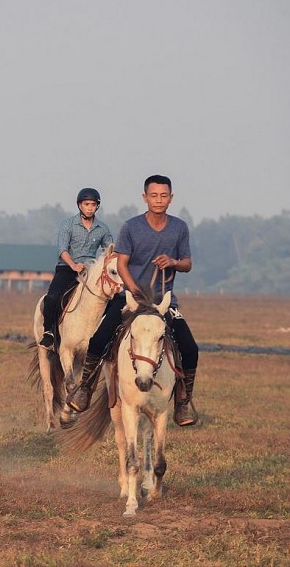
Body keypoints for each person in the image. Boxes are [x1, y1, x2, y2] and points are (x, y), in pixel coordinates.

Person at [66, 175, 200, 427]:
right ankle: (85, 387)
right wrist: (134, 289)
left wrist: (173, 262)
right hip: (130, 297)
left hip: (163, 301)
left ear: (171, 198)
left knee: (190, 348)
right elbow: (121, 263)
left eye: (164, 195)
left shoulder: (179, 228)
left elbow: (187, 263)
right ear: (145, 197)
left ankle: (183, 401)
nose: (159, 200)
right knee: (99, 338)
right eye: (154, 195)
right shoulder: (131, 227)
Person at [39, 188, 113, 351]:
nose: (89, 208)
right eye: (86, 204)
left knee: (111, 300)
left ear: (97, 207)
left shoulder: (103, 229)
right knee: (52, 298)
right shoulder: (68, 224)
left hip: (89, 272)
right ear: (80, 205)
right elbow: (62, 250)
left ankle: (106, 336)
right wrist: (73, 265)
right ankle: (49, 332)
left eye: (93, 205)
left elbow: (110, 251)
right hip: (67, 269)